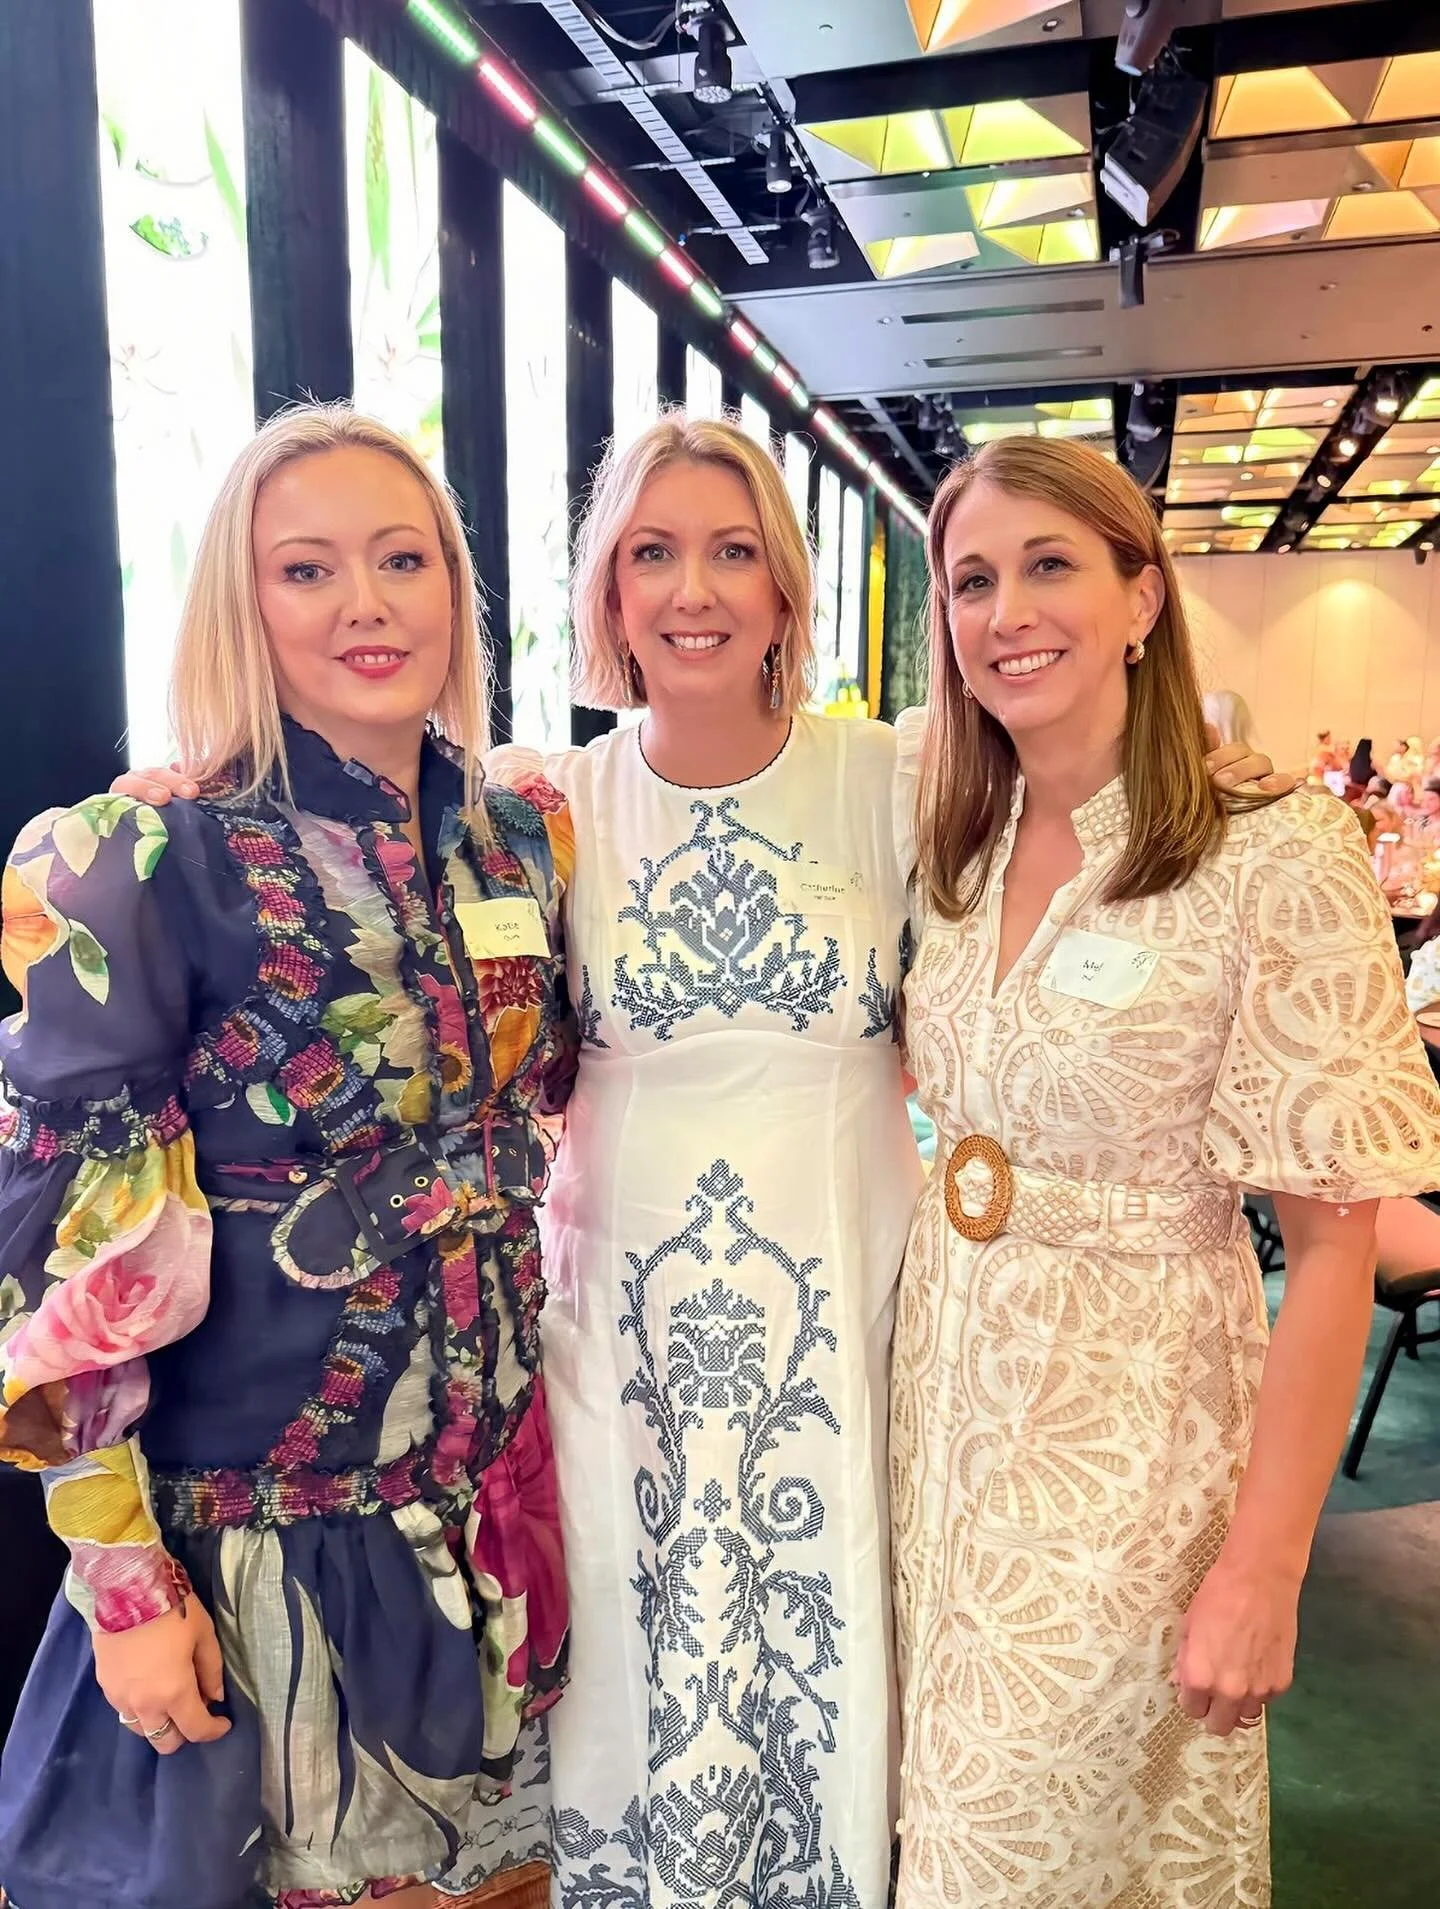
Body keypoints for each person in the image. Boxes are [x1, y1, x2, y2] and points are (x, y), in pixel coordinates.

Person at [117, 414, 1287, 1909]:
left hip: (851, 1325)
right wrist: (168, 795)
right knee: (632, 1688)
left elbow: (1077, 804)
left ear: (789, 592)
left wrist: (1216, 762)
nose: (696, 589)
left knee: (838, 1664)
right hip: (620, 1339)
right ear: (606, 595)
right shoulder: (545, 816)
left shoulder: (904, 781)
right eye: (653, 553)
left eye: (736, 552)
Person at [0, 405, 574, 1909]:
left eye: (402, 559)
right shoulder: (131, 865)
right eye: (306, 570)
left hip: (505, 1526)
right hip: (266, 1560)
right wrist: (124, 1589)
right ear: (238, 604)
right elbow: (64, 1275)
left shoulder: (519, 841)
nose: (367, 604)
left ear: (457, 586)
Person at [888, 436, 1440, 1909]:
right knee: (940, 1823)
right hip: (937, 1413)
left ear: (1145, 594)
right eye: (973, 579)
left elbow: (1332, 1243)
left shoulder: (1277, 853)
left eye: (1050, 565)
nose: (1008, 610)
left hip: (1130, 1431)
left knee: (1020, 1856)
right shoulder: (954, 833)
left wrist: (1264, 1570)